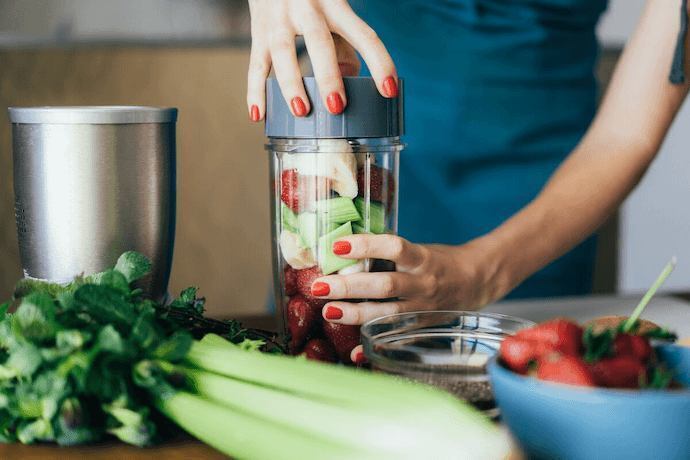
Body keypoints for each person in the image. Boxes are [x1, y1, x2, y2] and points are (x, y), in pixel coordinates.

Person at [247, 0, 690, 361]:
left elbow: (627, 133)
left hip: (538, 210)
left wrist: (483, 270)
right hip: (354, 167)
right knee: (322, 340)